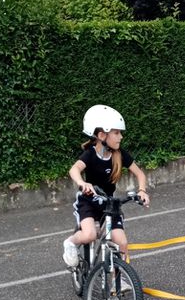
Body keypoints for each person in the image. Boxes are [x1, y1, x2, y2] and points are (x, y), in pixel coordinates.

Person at [62, 104, 150, 268]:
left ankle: (120, 280)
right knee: (89, 235)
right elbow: (74, 169)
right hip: (89, 201)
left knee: (122, 242)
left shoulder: (120, 155)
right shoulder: (90, 154)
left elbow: (140, 174)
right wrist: (82, 183)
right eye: (116, 133)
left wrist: (142, 190)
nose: (121, 137)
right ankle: (70, 243)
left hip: (108, 203)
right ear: (101, 135)